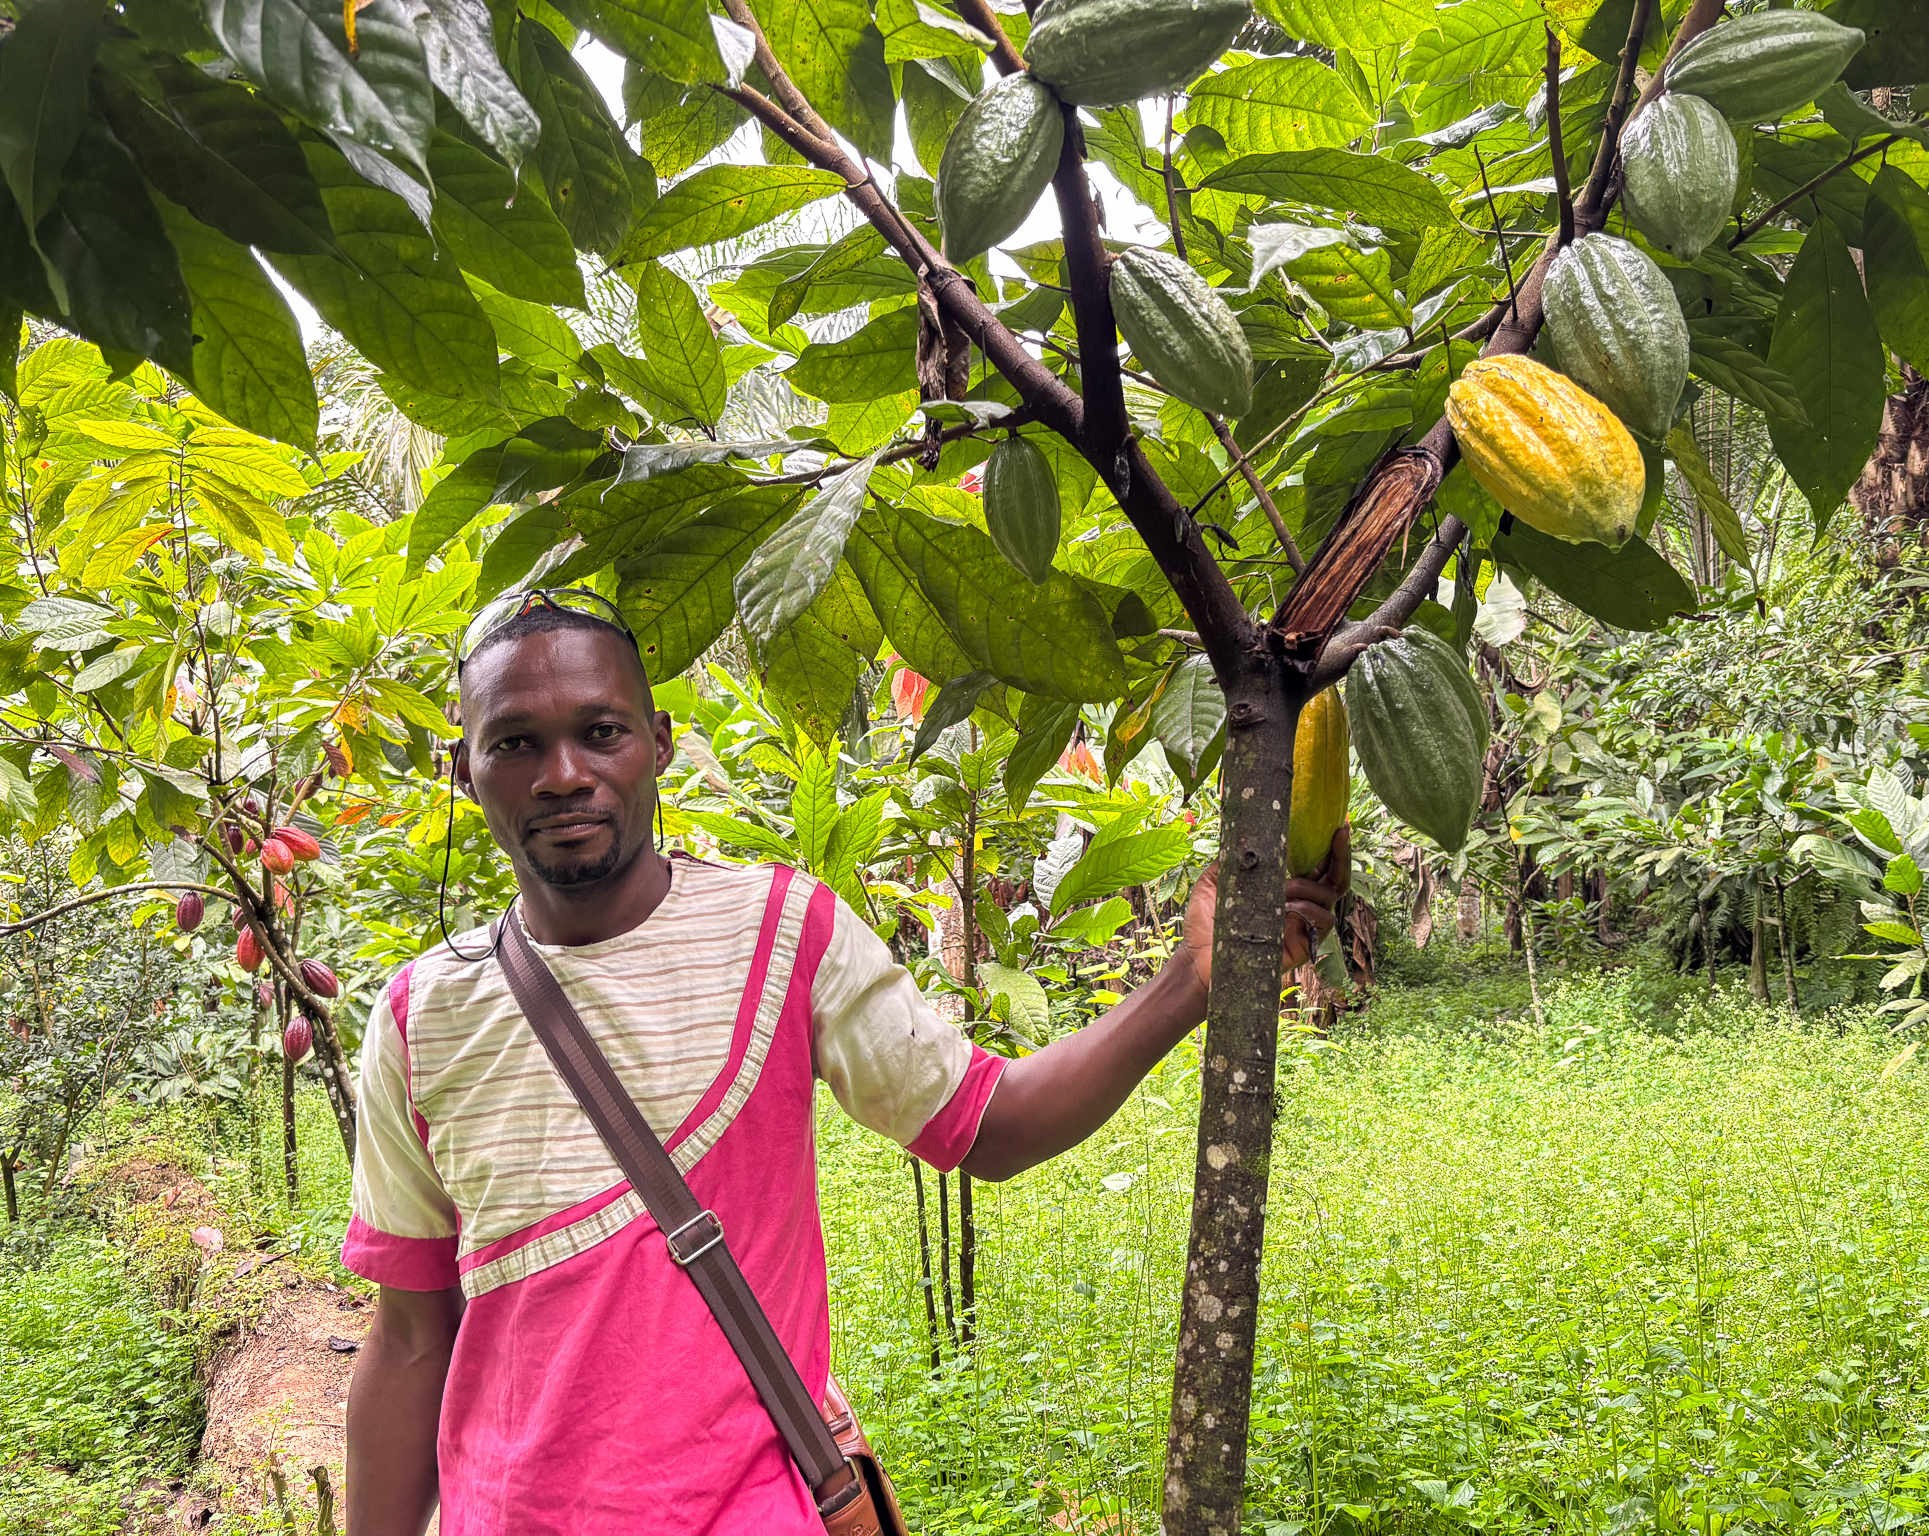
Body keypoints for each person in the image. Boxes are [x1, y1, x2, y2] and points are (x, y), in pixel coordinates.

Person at [343, 587, 1349, 1536]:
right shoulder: (420, 1015)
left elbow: (984, 1124)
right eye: (515, 743)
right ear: (465, 769)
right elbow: (408, 1339)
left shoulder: (780, 932)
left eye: (598, 730)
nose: (562, 772)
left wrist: (1188, 982)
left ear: (653, 742)